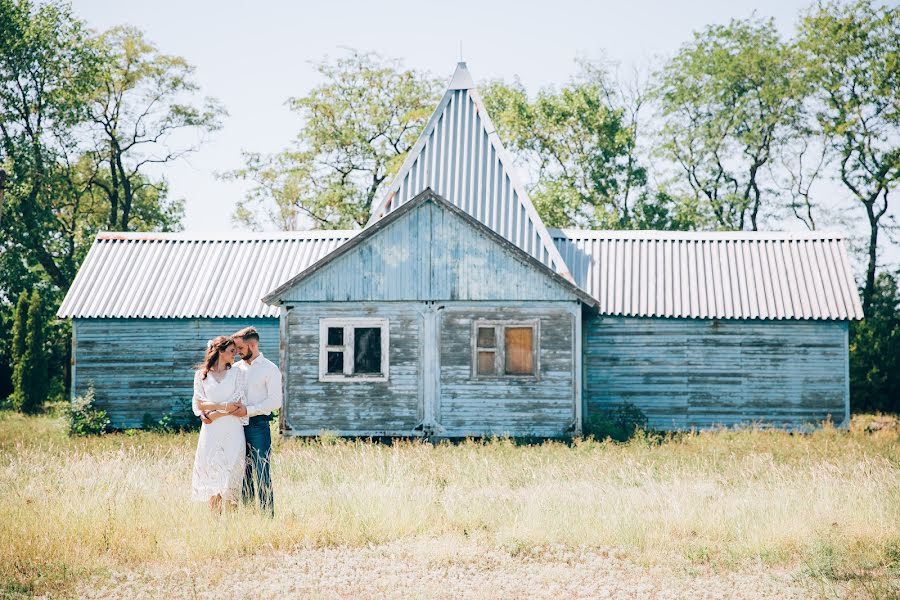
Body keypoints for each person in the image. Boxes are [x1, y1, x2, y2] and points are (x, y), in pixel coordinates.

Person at [191, 335, 249, 512]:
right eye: (232, 351)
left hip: (232, 429)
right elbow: (199, 403)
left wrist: (214, 412)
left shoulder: (237, 373)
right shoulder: (202, 375)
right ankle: (215, 521)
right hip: (211, 430)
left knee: (232, 473)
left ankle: (232, 522)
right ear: (221, 352)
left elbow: (237, 401)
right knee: (213, 474)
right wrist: (220, 409)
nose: (236, 354)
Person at [232, 326, 282, 516]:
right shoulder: (234, 369)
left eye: (240, 348)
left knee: (262, 470)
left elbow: (275, 401)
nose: (237, 352)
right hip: (236, 426)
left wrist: (249, 410)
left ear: (252, 344)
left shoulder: (270, 369)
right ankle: (250, 514)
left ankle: (267, 516)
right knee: (241, 473)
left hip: (258, 426)